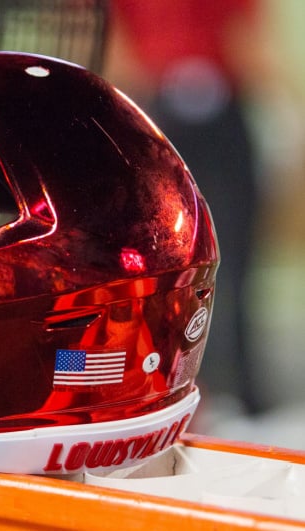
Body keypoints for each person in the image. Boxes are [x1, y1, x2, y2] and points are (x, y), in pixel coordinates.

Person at [106, 0, 265, 414]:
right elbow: (117, 43)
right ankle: (170, 386)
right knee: (162, 261)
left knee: (231, 260)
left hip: (220, 103)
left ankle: (238, 388)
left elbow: (247, 36)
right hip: (158, 105)